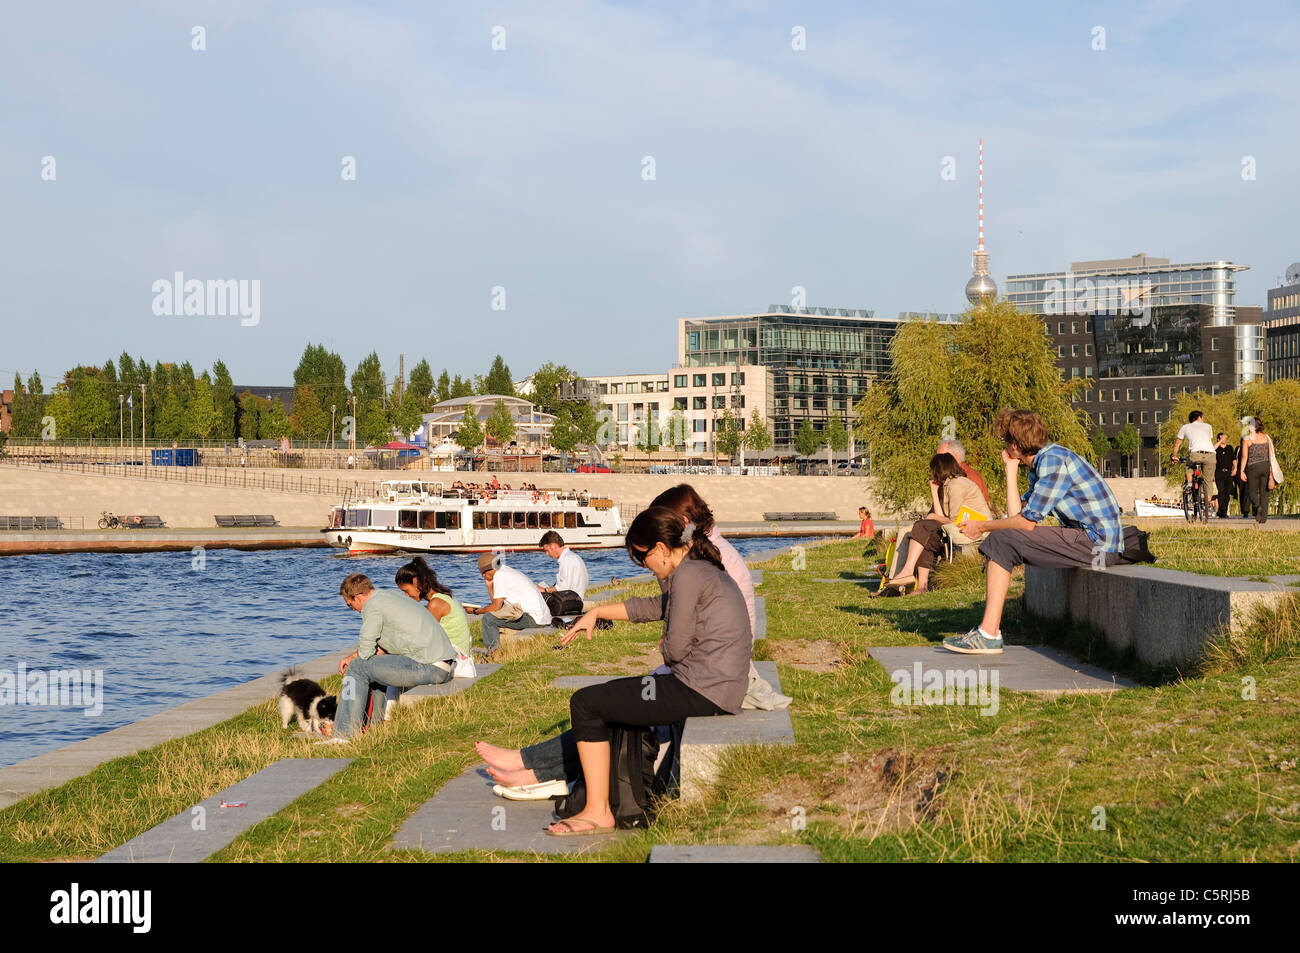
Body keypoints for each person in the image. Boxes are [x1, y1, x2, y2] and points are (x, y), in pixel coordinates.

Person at [479, 507, 751, 834]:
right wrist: (597, 613)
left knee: (586, 703)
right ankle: (541, 774)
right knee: (611, 700)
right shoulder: (695, 569)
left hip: (703, 690)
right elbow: (653, 607)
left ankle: (596, 810)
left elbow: (676, 649)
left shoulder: (687, 575)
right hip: (715, 687)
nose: (644, 567)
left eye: (642, 558)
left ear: (662, 549)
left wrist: (663, 646)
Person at [944, 408, 1150, 655]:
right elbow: (1016, 515)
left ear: (1015, 445)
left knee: (1000, 539)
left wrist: (983, 526)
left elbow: (1026, 523)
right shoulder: (1045, 461)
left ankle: (988, 633)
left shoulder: (1053, 462)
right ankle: (989, 632)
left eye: (1005, 441)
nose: (1004, 446)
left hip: (1097, 546)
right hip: (1091, 541)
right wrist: (1010, 471)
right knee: (1003, 538)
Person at [325, 574, 457, 742]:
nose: (353, 610)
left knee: (358, 667)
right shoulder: (388, 596)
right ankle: (373, 728)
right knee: (373, 666)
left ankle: (343, 735)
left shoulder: (371, 606)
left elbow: (365, 652)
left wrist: (353, 658)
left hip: (429, 665)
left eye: (350, 605)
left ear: (357, 597)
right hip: (442, 664)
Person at [883, 452, 990, 594]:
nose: (931, 474)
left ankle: (908, 571)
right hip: (960, 525)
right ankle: (922, 586)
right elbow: (942, 517)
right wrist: (933, 491)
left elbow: (952, 520)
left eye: (933, 470)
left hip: (975, 526)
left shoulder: (957, 484)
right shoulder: (948, 485)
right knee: (926, 537)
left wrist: (933, 516)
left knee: (922, 527)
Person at [469, 552, 553, 657]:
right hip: (541, 617)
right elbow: (496, 604)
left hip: (534, 618)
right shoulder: (505, 571)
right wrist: (489, 585)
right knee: (493, 617)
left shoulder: (500, 575)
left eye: (483, 573)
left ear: (488, 569)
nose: (483, 576)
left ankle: (495, 653)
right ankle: (496, 647)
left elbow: (496, 607)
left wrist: (475, 611)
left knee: (488, 619)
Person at [395, 557, 473, 660]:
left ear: (415, 582)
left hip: (454, 660)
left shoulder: (436, 604)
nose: (406, 595)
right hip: (454, 655)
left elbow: (423, 637)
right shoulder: (442, 597)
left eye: (406, 590)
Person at [1170, 410, 1216, 508]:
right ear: (1199, 417)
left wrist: (1174, 456)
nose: (1203, 420)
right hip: (1211, 455)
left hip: (1196, 453)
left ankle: (1190, 483)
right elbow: (1207, 440)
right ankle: (1207, 500)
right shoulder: (1208, 426)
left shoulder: (1185, 427)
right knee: (1208, 480)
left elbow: (1177, 444)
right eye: (1202, 417)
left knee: (1189, 464)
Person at [1240, 418, 1281, 526]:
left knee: (1252, 491)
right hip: (1265, 466)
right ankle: (1263, 518)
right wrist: (1271, 468)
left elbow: (1244, 457)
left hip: (1252, 467)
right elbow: (1272, 454)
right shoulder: (1267, 437)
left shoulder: (1247, 439)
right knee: (1264, 492)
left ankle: (1257, 507)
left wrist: (1241, 471)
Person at [937, 437, 991, 509]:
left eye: (941, 458)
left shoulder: (968, 478)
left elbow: (963, 515)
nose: (938, 462)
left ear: (954, 457)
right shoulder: (948, 477)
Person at [538, 530, 589, 602]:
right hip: (574, 598)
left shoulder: (567, 559)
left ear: (553, 546)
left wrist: (545, 590)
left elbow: (562, 587)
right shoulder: (572, 556)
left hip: (570, 601)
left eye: (547, 550)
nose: (546, 554)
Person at [1213, 432, 1236, 519]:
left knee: (1227, 492)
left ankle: (1224, 512)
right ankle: (1220, 511)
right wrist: (1219, 442)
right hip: (1219, 472)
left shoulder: (1229, 448)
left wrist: (1236, 468)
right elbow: (1212, 449)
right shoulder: (1216, 449)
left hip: (1228, 473)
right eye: (1222, 438)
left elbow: (1234, 459)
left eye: (1225, 438)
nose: (1224, 439)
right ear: (1218, 439)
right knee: (1221, 491)